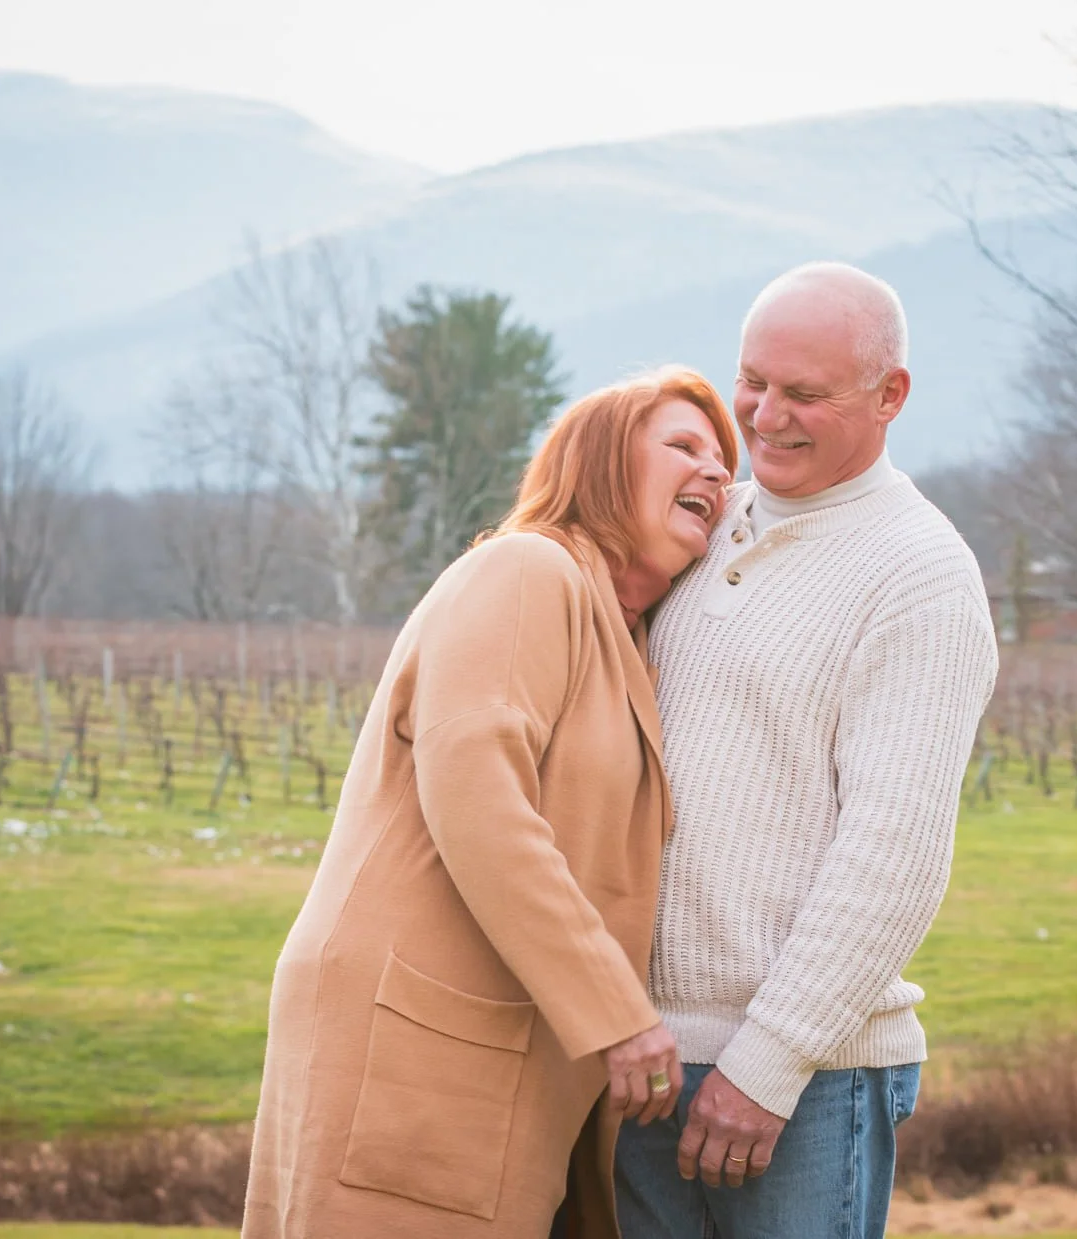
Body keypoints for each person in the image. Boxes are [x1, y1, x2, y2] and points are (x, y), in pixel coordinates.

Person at [240, 367, 736, 1239]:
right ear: (604, 462)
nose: (717, 474)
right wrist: (617, 1010)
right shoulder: (526, 569)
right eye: (685, 446)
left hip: (504, 1053)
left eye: (724, 463)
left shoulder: (620, 634)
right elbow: (479, 793)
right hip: (417, 1041)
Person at [616, 263, 1000, 1238]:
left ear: (890, 396)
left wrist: (768, 1064)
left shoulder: (919, 576)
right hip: (641, 1063)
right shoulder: (703, 530)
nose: (764, 413)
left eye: (805, 394)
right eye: (753, 381)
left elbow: (894, 851)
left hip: (802, 1078)